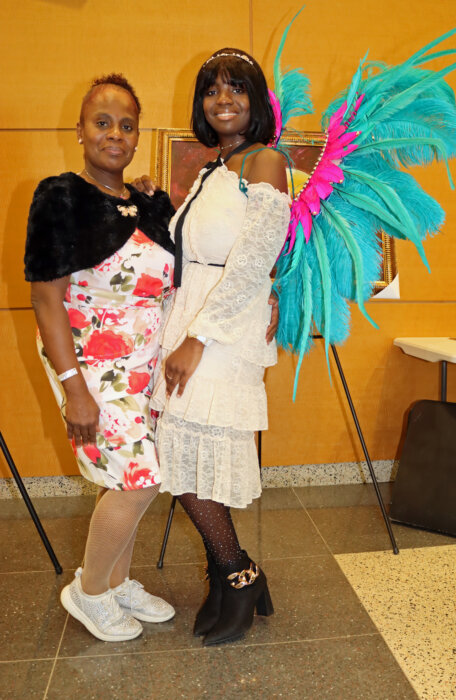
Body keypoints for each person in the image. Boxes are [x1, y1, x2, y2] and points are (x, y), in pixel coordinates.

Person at [24, 75, 177, 642]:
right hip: (95, 369)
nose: (115, 133)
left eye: (127, 125)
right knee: (137, 480)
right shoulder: (60, 196)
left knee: (135, 479)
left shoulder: (147, 202)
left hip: (148, 368)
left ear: (138, 135)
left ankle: (115, 581)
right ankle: (88, 593)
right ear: (81, 130)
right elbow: (46, 297)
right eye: (102, 122)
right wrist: (74, 388)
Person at [148, 48, 291, 646]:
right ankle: (230, 571)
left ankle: (236, 573)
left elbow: (255, 259)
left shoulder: (265, 160)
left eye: (237, 88)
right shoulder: (214, 167)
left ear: (258, 101)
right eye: (212, 90)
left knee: (195, 450)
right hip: (191, 317)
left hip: (220, 330)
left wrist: (198, 339)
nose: (223, 100)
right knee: (179, 453)